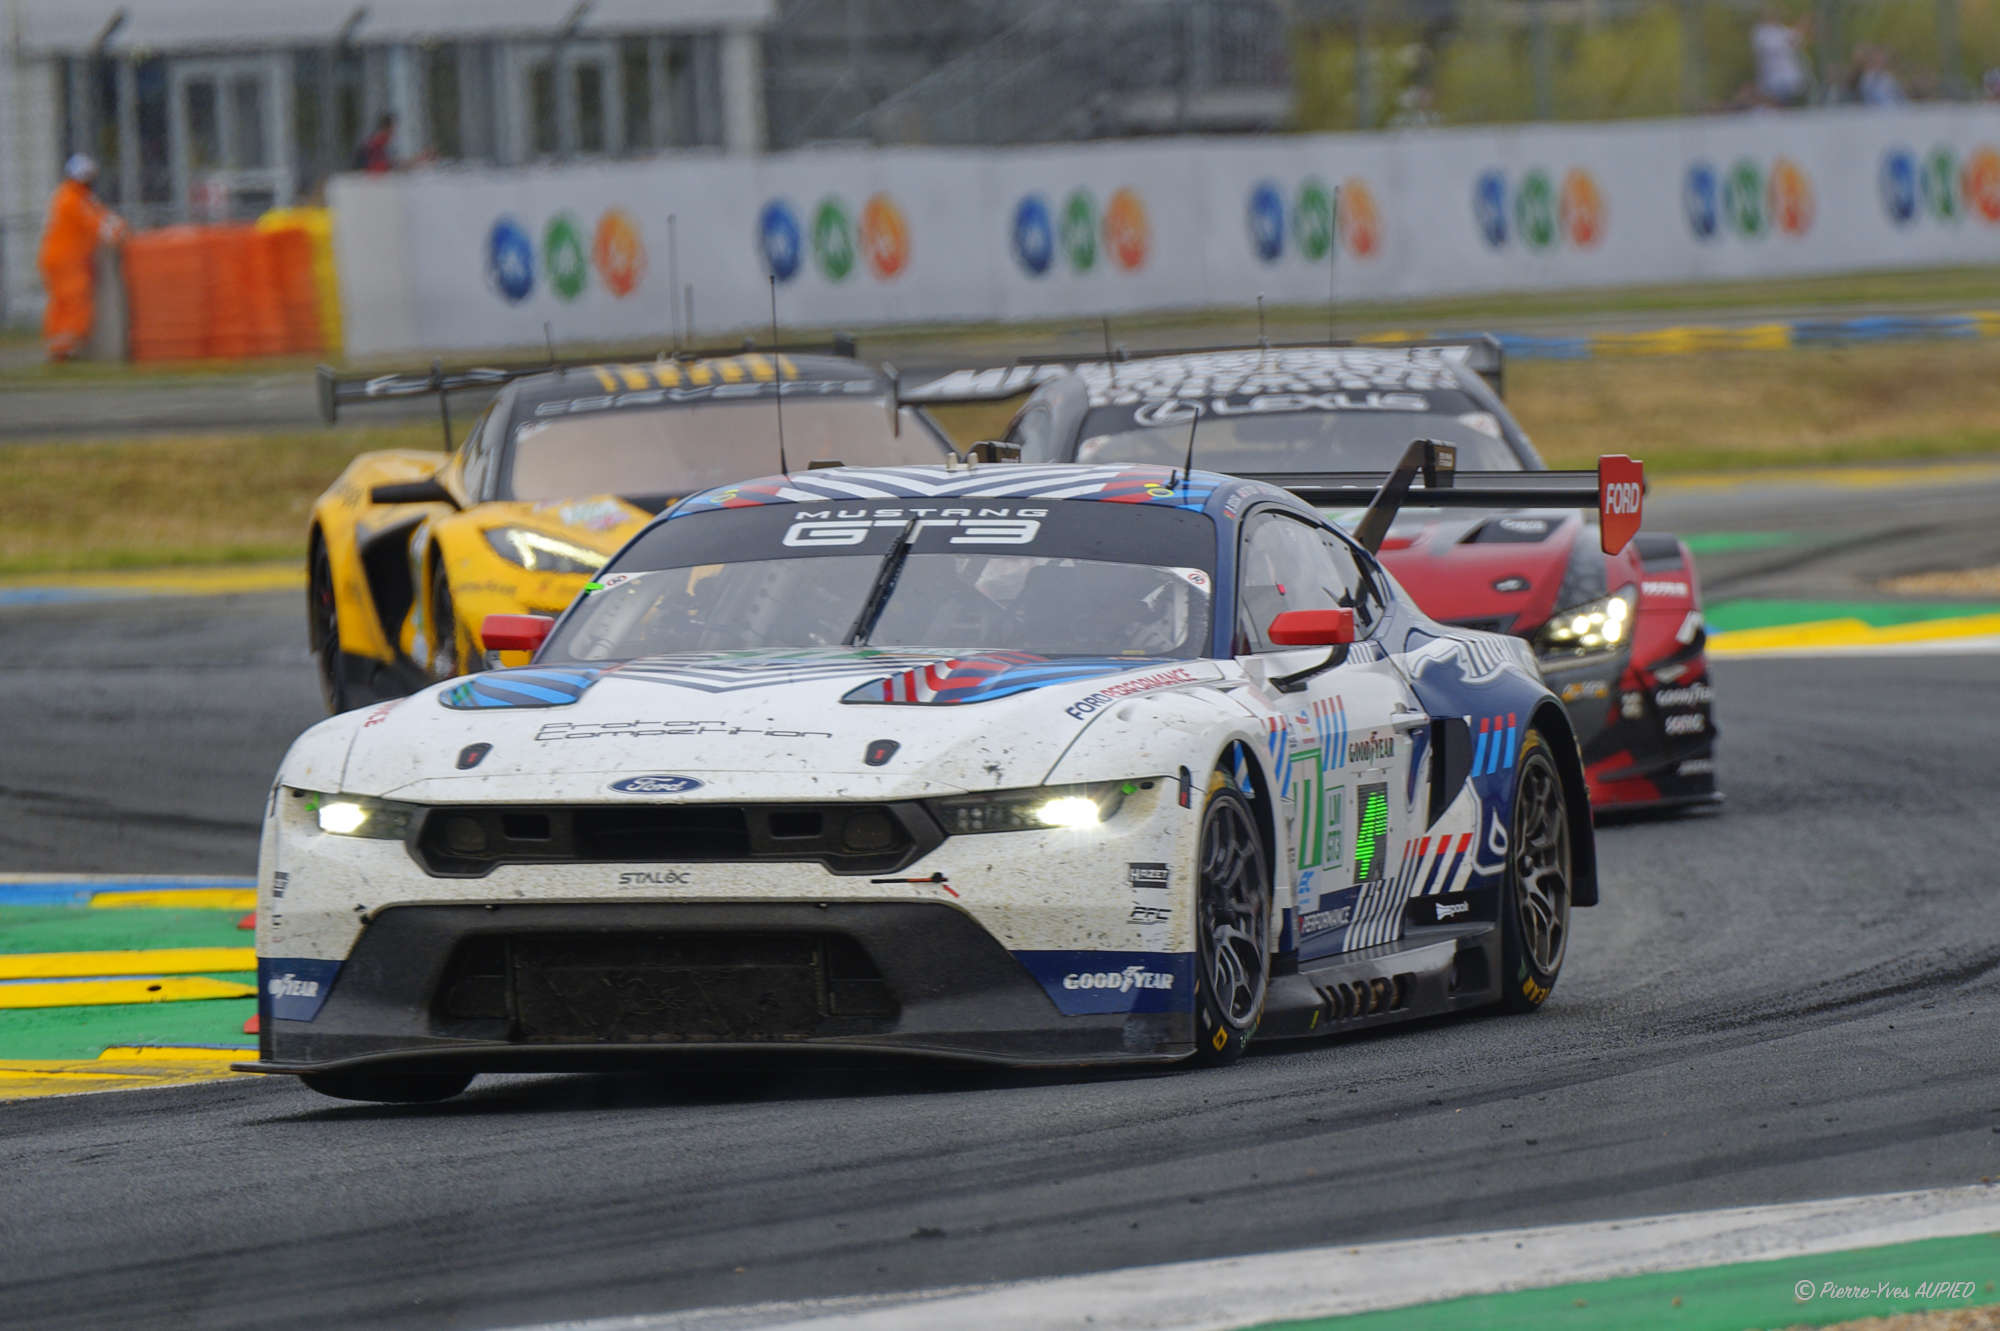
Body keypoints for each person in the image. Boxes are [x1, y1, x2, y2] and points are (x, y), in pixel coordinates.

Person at [36, 153, 125, 362]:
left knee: (60, 303)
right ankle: (66, 349)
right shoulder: (73, 199)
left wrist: (117, 224)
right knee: (75, 302)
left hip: (55, 257)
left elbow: (101, 215)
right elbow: (98, 225)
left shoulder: (69, 195)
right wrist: (121, 234)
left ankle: (58, 347)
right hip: (68, 260)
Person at [1751, 7, 1812, 107]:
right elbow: (1776, 46)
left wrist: (1805, 24)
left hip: (1790, 78)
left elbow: (1798, 39)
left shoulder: (1782, 30)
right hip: (1773, 78)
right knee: (1778, 103)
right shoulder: (1761, 33)